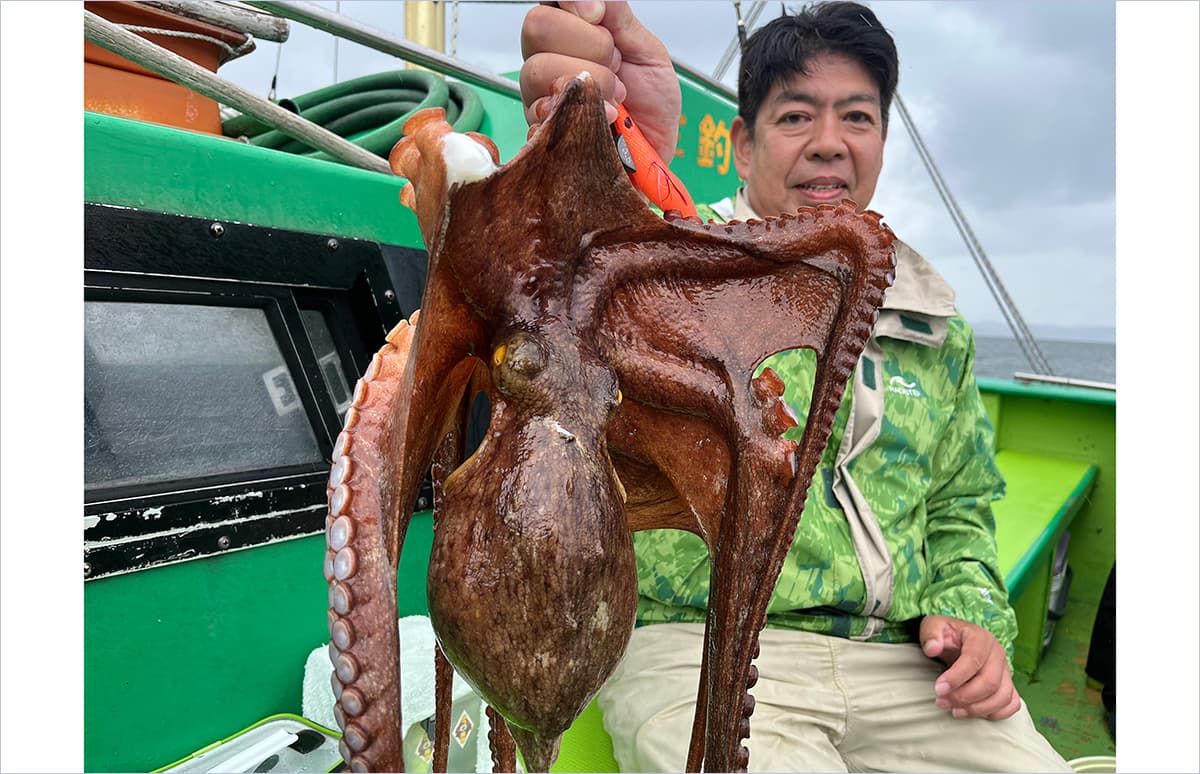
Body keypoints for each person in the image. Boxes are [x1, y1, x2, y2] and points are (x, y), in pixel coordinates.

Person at [521, 2, 1071, 771]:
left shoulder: (936, 323)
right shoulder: (665, 263)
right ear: (742, 147)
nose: (829, 142)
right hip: (696, 646)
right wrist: (596, 158)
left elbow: (960, 505)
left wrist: (970, 612)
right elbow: (561, 287)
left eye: (857, 116)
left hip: (903, 666)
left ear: (881, 142)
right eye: (796, 116)